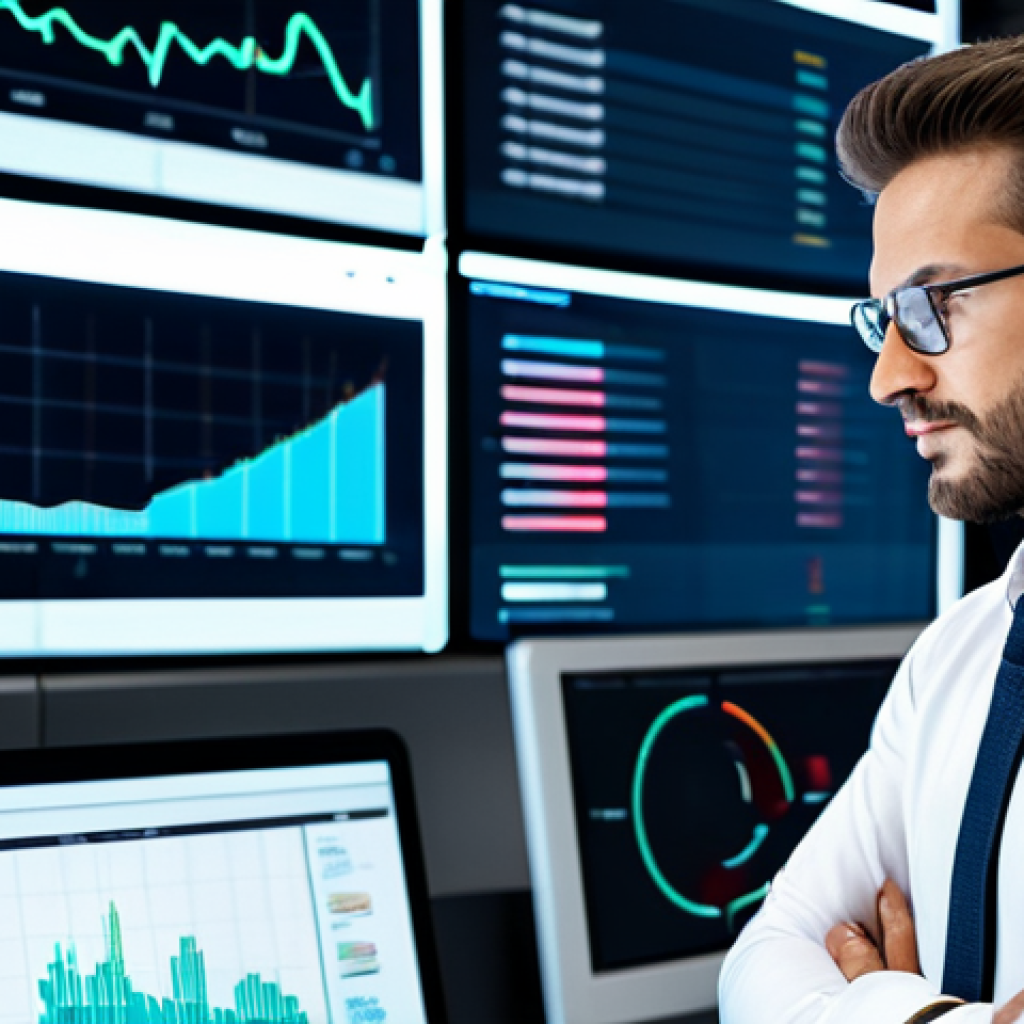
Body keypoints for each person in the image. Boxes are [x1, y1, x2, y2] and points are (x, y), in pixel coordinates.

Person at [718, 35, 1024, 1024]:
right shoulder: (959, 654)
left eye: (931, 306)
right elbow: (764, 960)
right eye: (881, 319)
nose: (889, 376)